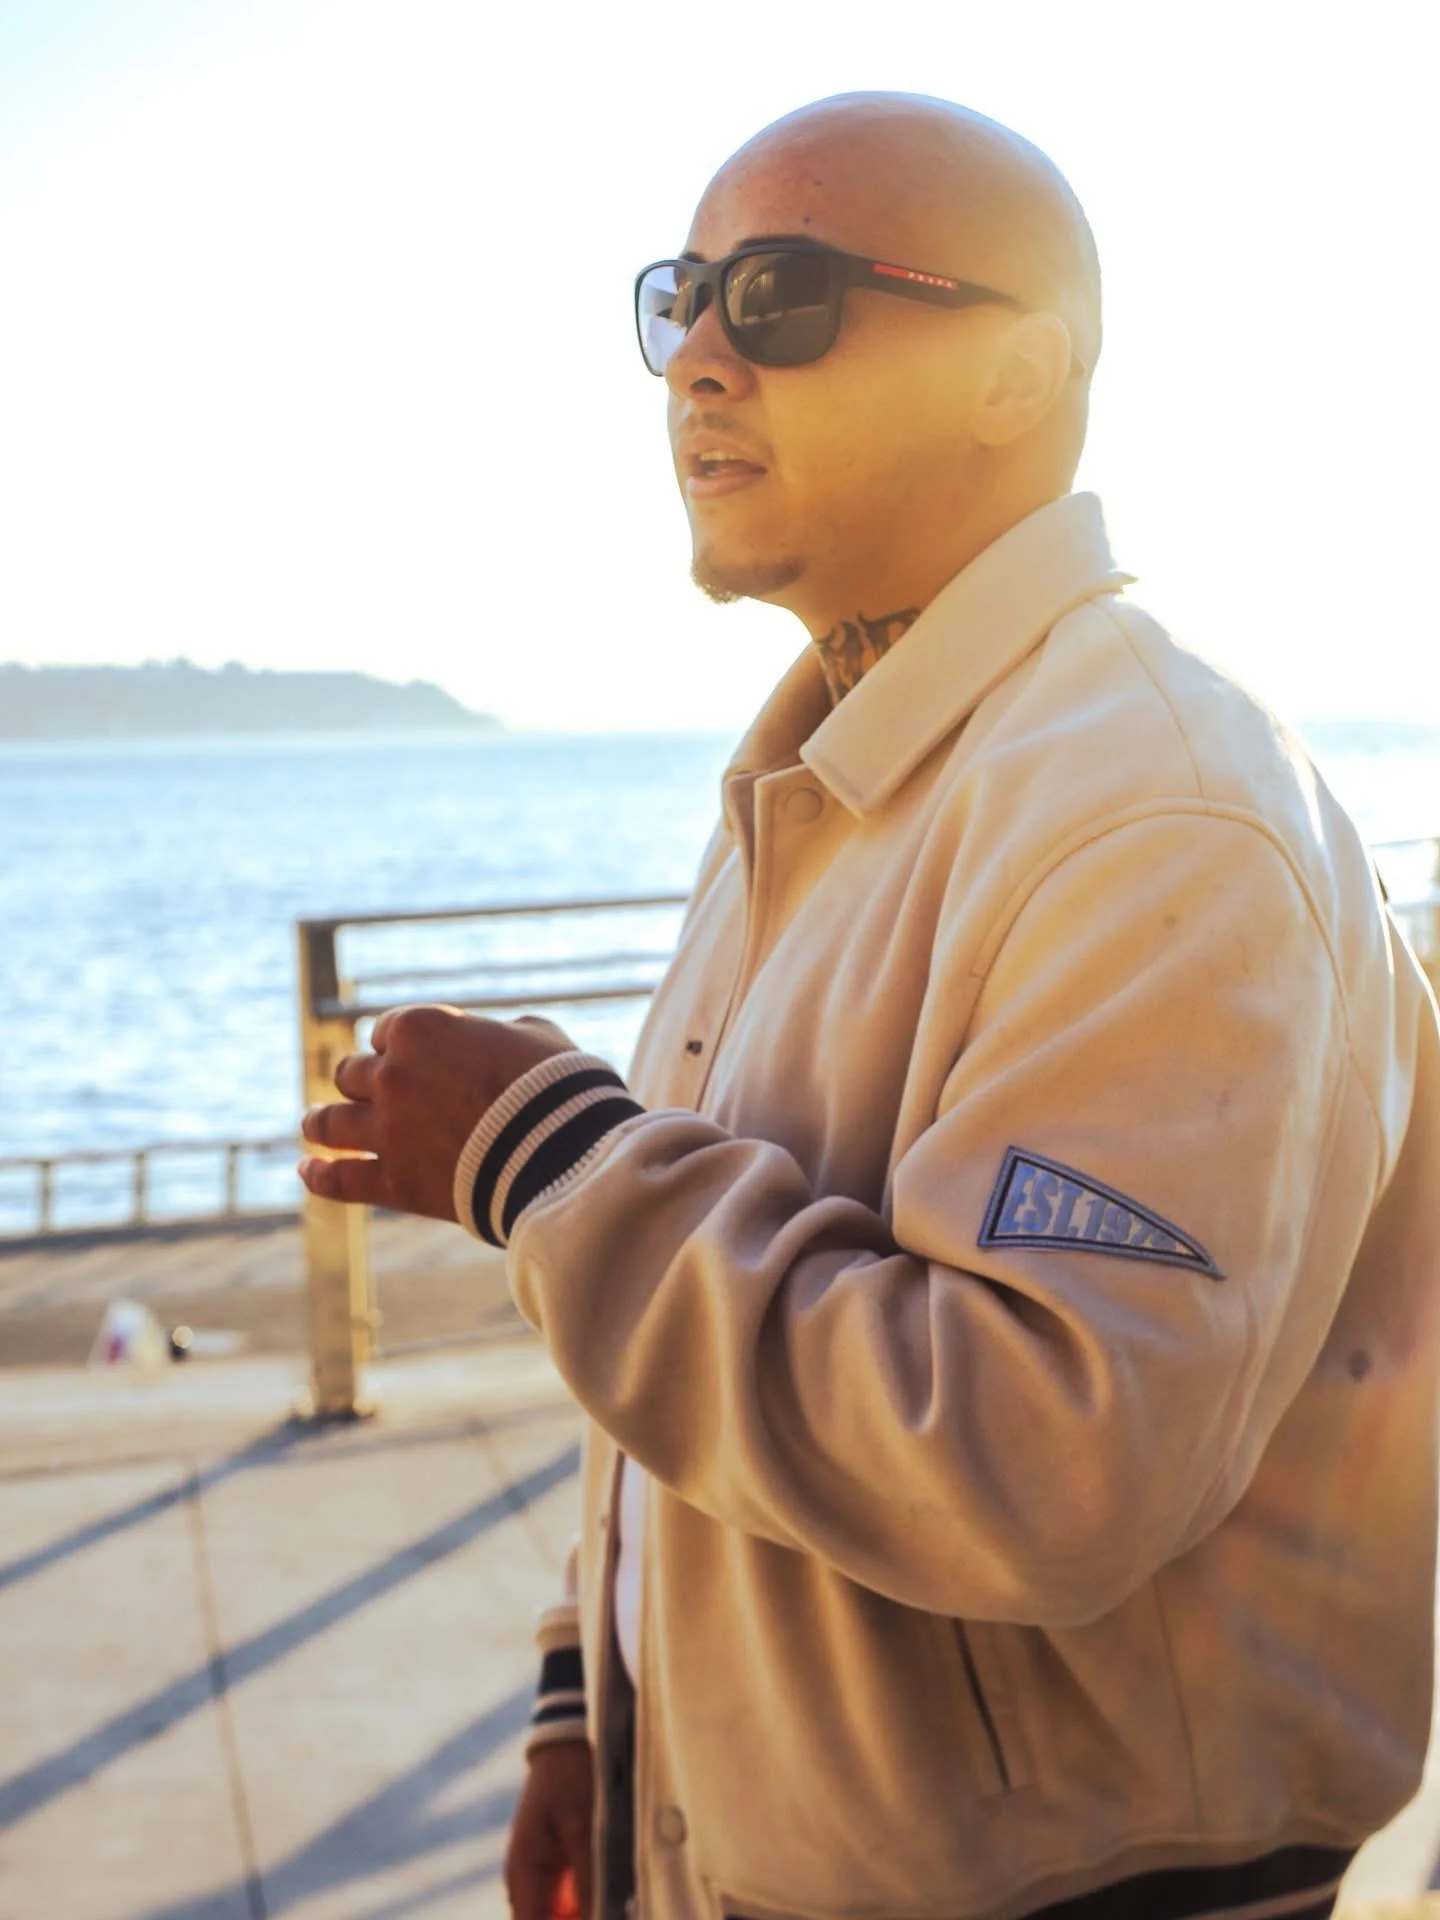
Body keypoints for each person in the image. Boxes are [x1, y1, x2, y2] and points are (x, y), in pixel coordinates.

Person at [299, 93, 1440, 1920]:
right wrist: (594, 1705)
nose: (697, 358)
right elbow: (744, 1350)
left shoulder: (1158, 813)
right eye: (681, 295)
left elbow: (1047, 1462)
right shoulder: (841, 771)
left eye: (784, 294)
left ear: (1021, 371)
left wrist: (549, 1157)